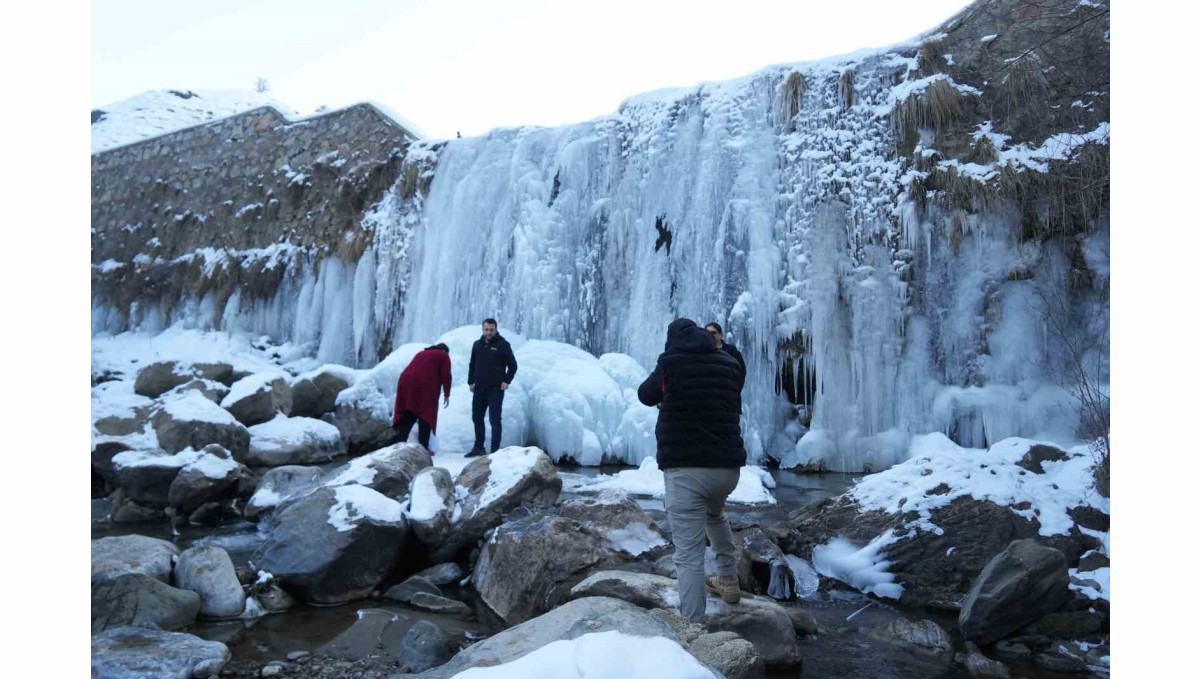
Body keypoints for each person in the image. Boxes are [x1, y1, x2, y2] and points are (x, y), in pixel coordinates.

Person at [637, 318, 747, 623]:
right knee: (715, 513)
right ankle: (728, 580)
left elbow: (646, 395)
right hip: (727, 470)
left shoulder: (670, 363)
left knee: (688, 555)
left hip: (687, 471)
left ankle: (693, 631)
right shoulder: (728, 362)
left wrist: (665, 373)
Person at [466, 318, 518, 457]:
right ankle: (478, 447)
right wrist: (470, 381)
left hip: (495, 389)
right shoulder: (477, 345)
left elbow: (513, 365)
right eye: (486, 330)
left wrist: (507, 380)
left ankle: (495, 451)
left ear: (496, 329)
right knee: (477, 418)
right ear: (482, 329)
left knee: (494, 419)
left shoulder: (503, 345)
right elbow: (472, 364)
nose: (488, 332)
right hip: (479, 388)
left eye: (491, 330)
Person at [392, 343, 451, 455]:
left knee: (409, 412)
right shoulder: (443, 355)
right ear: (444, 350)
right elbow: (446, 375)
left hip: (405, 381)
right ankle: (423, 448)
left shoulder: (421, 353)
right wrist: (447, 394)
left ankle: (399, 445)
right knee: (426, 415)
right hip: (424, 384)